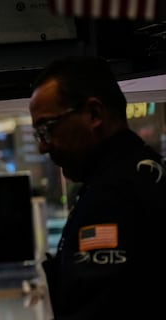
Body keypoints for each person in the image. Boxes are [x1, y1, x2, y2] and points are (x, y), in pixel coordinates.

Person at [28, 55, 166, 319]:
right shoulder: (144, 172)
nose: (42, 146)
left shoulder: (114, 197)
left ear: (94, 114)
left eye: (47, 129)